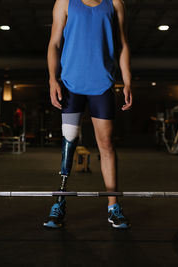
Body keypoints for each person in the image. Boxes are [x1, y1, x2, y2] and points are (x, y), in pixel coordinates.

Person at [44, 0, 132, 229]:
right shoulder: (64, 2)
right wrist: (53, 79)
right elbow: (54, 43)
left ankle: (113, 206)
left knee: (106, 145)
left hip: (102, 85)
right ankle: (60, 202)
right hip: (71, 85)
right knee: (69, 144)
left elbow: (122, 44)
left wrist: (128, 80)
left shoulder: (115, 3)